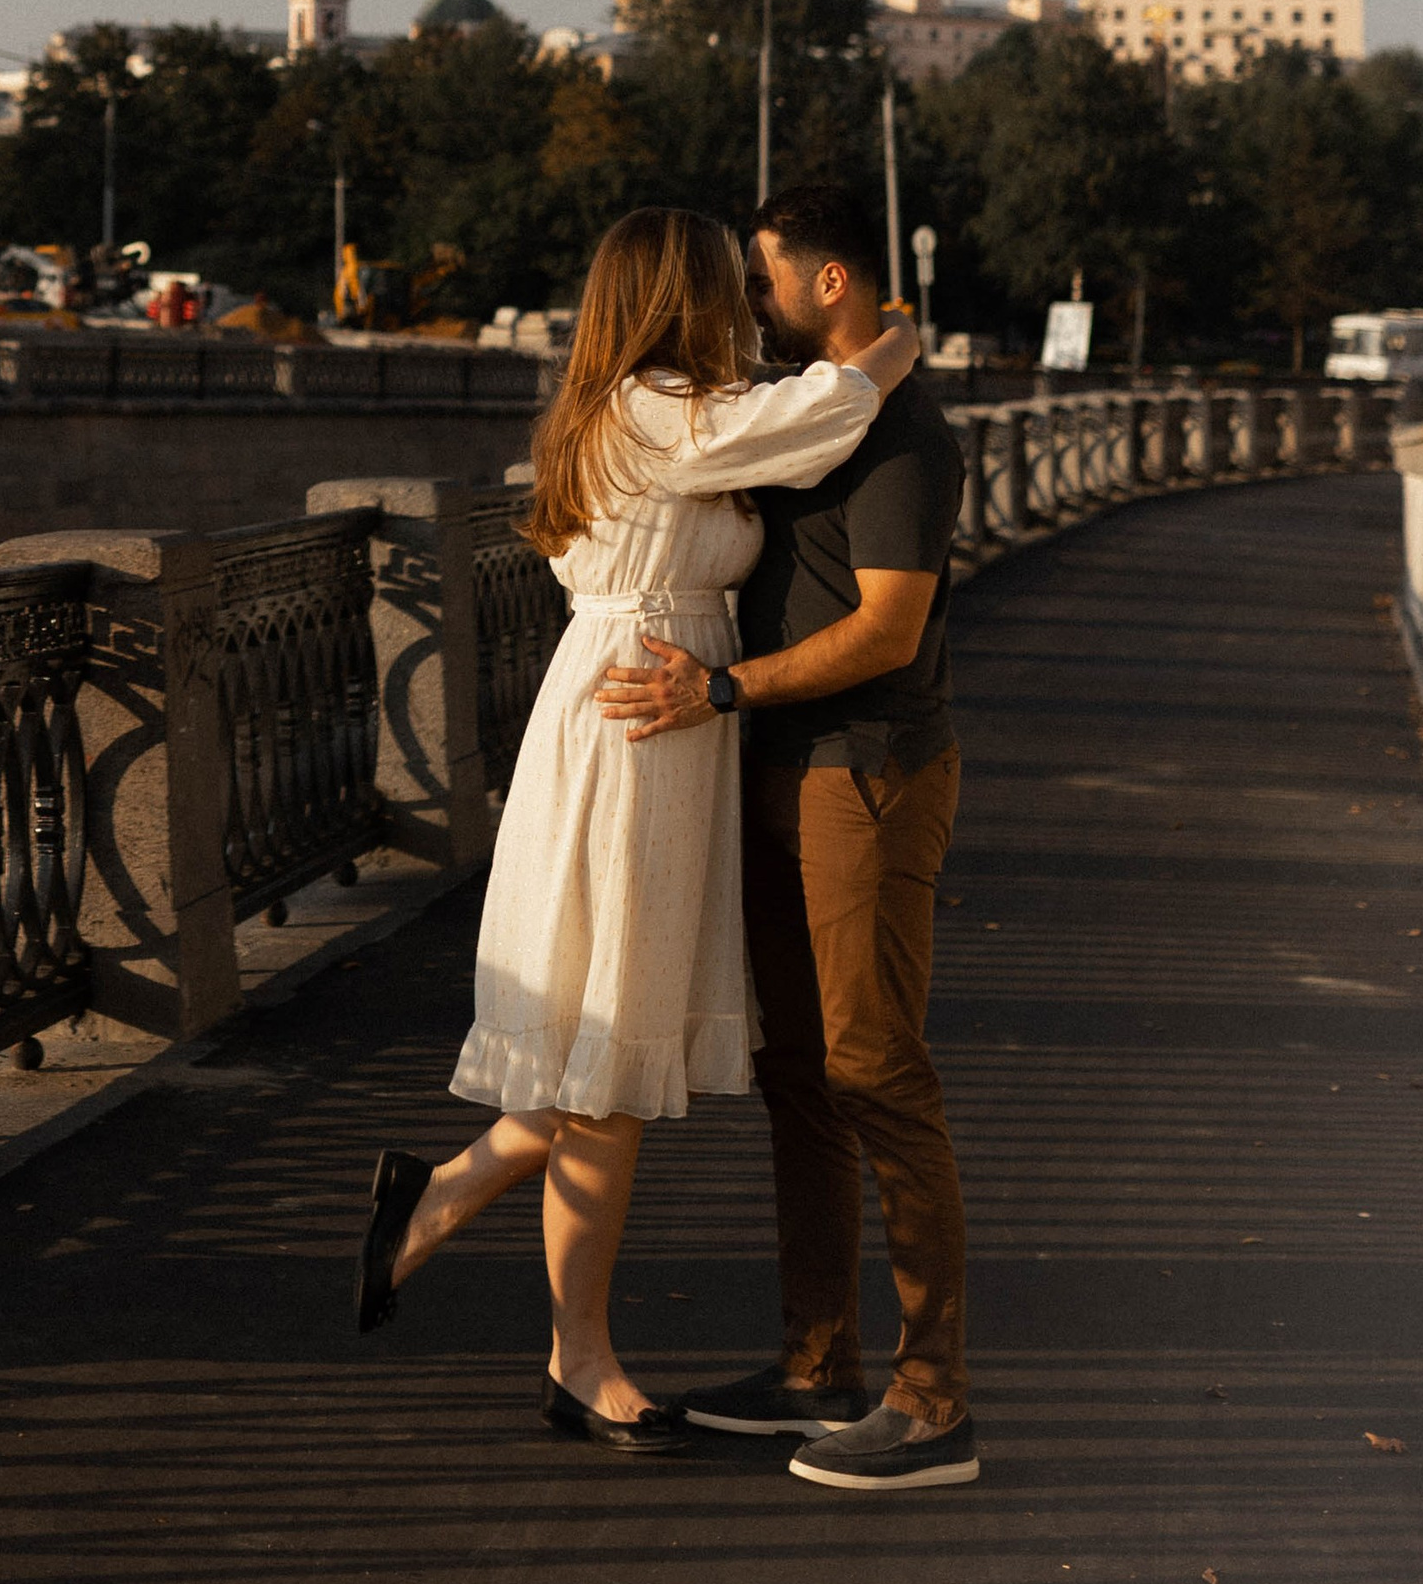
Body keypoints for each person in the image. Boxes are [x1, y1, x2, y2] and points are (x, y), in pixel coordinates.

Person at [351, 205, 922, 1448]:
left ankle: (435, 1199)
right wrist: (897, 341)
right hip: (636, 718)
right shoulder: (652, 406)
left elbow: (779, 428)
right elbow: (825, 414)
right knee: (606, 1059)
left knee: (603, 1048)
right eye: (726, 280)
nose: (743, 299)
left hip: (660, 710)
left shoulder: (652, 404)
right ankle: (580, 1359)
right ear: (678, 293)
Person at [597, 180, 977, 1493]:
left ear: (830, 281)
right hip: (778, 766)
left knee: (878, 1071)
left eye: (763, 278)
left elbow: (887, 629)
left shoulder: (902, 437)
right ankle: (817, 1367)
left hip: (863, 771)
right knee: (801, 1076)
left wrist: (721, 688)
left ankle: (934, 1403)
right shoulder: (804, 408)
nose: (748, 303)